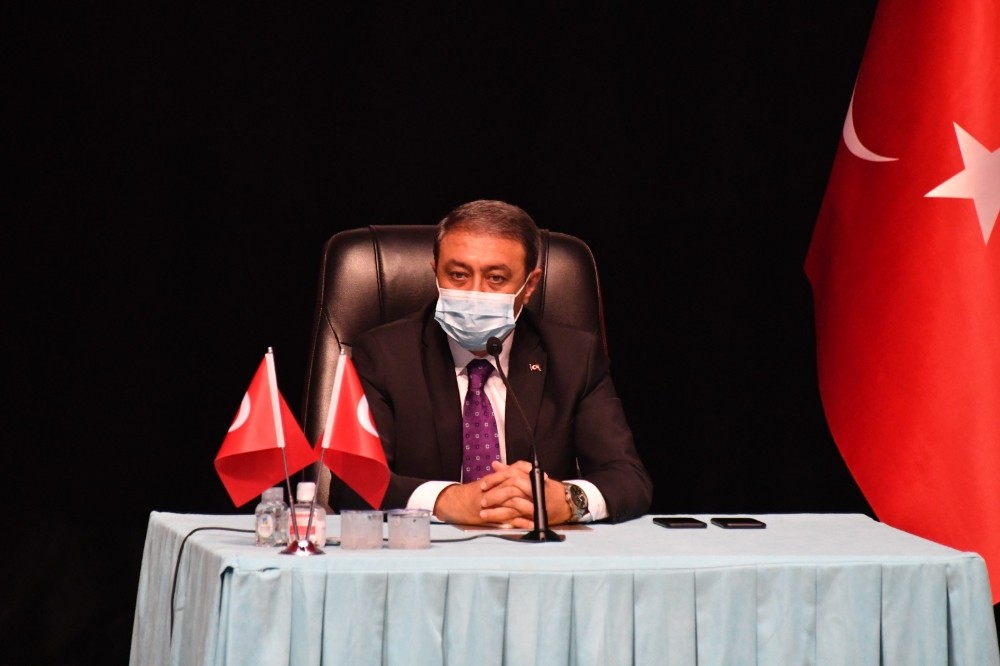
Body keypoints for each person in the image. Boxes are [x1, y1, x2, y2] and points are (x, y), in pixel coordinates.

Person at [333, 199, 653, 527]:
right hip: (429, 547)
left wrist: (569, 501)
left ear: (529, 286)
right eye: (458, 275)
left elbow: (629, 479)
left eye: (496, 278)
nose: (475, 293)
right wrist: (444, 500)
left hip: (535, 548)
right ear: (435, 273)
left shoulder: (573, 357)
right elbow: (351, 485)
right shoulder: (384, 355)